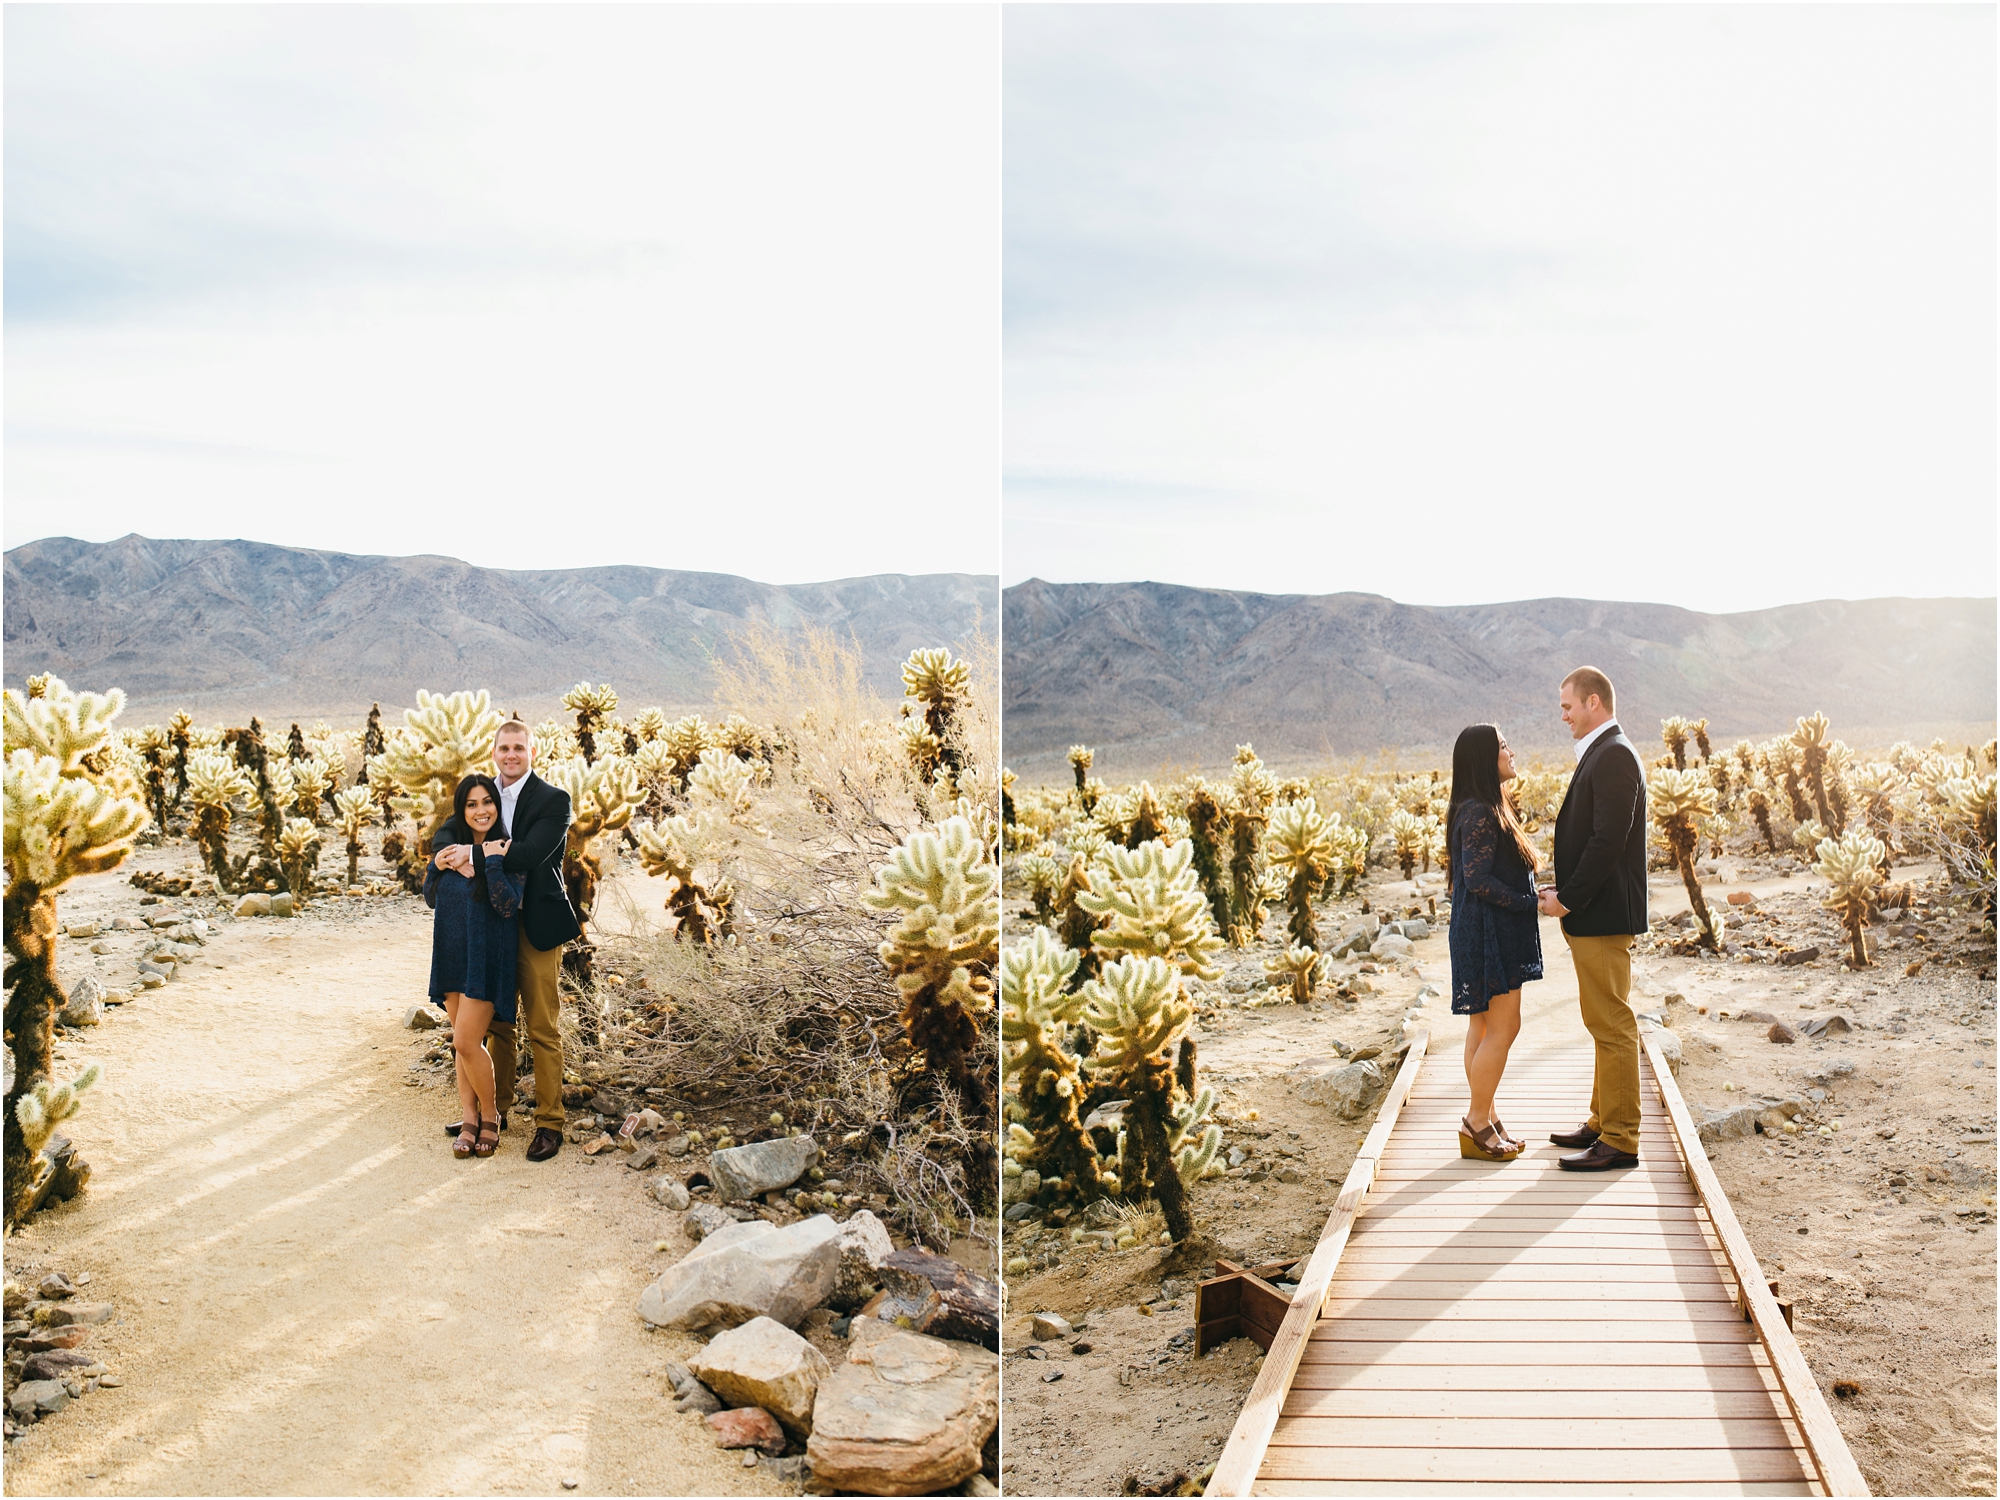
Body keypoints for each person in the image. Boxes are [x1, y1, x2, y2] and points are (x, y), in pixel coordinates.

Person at [432, 720, 580, 1162]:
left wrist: (476, 853)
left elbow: (532, 852)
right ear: (494, 751)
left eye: (519, 747)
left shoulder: (554, 800)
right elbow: (452, 826)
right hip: (490, 928)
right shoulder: (487, 793)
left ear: (531, 751)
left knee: (541, 1025)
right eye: (504, 748)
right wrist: (444, 851)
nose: (511, 755)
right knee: (495, 1024)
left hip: (534, 926)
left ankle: (550, 1123)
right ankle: (495, 1110)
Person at [1537, 666, 1649, 1172]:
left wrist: (1569, 899)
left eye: (1568, 706)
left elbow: (1608, 842)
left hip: (1602, 914)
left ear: (1594, 703)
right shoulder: (1605, 753)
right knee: (1601, 1019)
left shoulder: (1615, 756)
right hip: (1594, 910)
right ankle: (1602, 1120)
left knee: (1612, 1023)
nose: (1563, 716)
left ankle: (1621, 1139)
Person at [1446, 724, 1542, 1161]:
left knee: (1482, 1027)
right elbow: (1478, 879)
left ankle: (1487, 1115)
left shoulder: (1477, 806)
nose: (1511, 751)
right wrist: (1529, 903)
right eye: (1504, 746)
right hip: (1489, 933)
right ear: (1486, 758)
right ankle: (1476, 1120)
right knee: (1503, 1027)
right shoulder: (1481, 811)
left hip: (1479, 928)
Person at [425, 776, 523, 1159]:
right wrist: (436, 864)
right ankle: (469, 1119)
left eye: (487, 802)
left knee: (465, 1041)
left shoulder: (506, 848)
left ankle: (491, 1115)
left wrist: (493, 863)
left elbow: (507, 906)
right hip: (452, 952)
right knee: (467, 1046)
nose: (481, 810)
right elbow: (431, 896)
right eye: (471, 804)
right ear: (461, 810)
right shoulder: (449, 848)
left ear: (496, 807)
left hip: (488, 957)